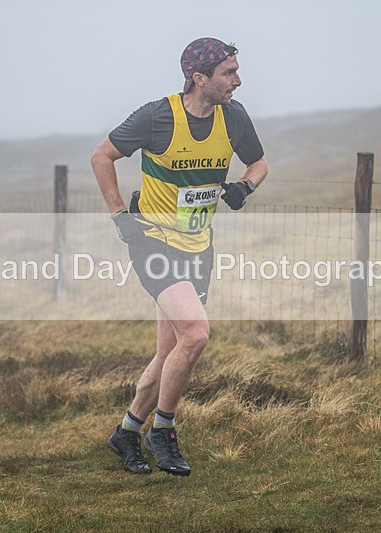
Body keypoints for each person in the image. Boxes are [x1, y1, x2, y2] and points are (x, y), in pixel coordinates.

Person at [90, 37, 268, 476]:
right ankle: (163, 431)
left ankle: (127, 432)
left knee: (170, 351)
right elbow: (102, 156)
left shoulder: (234, 116)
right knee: (196, 334)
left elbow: (259, 163)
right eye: (229, 73)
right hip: (152, 240)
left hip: (198, 245)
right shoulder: (157, 116)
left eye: (236, 71)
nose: (238, 81)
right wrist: (119, 216)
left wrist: (244, 187)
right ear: (199, 78)